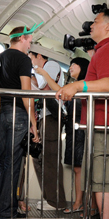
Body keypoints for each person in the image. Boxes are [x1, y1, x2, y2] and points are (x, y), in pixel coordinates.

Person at [55, 8, 109, 219]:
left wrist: (77, 85)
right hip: (99, 123)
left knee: (103, 177)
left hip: (106, 124)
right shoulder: (104, 49)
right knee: (98, 176)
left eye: (95, 22)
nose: (90, 26)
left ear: (107, 26)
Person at [0, 25, 40, 219]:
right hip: (17, 114)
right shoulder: (23, 59)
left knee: (2, 162)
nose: (30, 46)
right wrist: (34, 124)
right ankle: (6, 211)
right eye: (30, 41)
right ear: (22, 38)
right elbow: (26, 93)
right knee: (13, 164)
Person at [28, 50, 66, 210]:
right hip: (43, 116)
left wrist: (31, 75)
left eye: (31, 58)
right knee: (39, 158)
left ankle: (56, 201)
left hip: (51, 116)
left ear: (39, 56)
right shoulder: (41, 69)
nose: (31, 61)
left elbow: (43, 84)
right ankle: (49, 197)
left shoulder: (51, 65)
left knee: (50, 157)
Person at [54, 57, 89, 214]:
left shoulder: (83, 86)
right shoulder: (74, 87)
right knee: (78, 168)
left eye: (73, 64)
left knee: (80, 168)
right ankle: (81, 202)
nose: (70, 67)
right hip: (72, 130)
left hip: (80, 130)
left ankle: (80, 203)